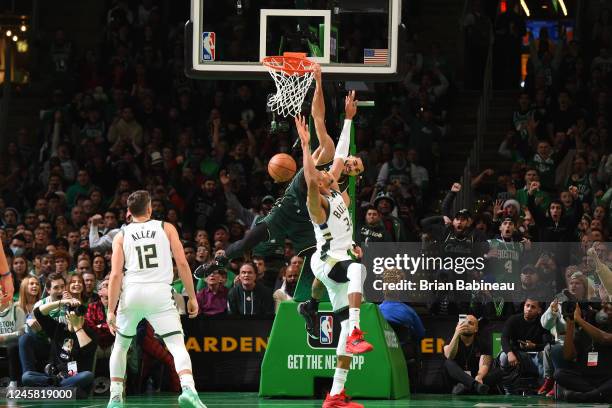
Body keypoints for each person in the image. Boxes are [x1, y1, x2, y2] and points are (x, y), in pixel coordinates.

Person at [199, 68, 363, 341]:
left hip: (308, 218)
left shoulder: (334, 180)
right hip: (289, 207)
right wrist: (319, 84)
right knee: (252, 239)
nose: (351, 164)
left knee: (320, 262)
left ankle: (310, 305)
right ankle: (220, 261)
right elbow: (318, 117)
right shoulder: (329, 154)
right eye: (352, 161)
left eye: (355, 167)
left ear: (354, 172)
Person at [295, 114, 371, 408]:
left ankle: (336, 394)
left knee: (340, 329)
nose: (330, 171)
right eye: (324, 173)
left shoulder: (336, 189)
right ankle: (355, 331)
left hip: (340, 257)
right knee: (358, 270)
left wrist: (350, 119)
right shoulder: (318, 203)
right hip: (326, 262)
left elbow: (340, 151)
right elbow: (311, 176)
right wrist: (305, 146)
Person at [106, 190, 206, 408]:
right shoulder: (166, 227)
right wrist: (191, 297)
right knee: (176, 345)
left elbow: (115, 275)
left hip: (132, 292)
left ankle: (115, 397)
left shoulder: (121, 236)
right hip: (160, 293)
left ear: (129, 212)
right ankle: (189, 389)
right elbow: (182, 263)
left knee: (121, 346)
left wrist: (111, 309)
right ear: (150, 208)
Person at [23, 297, 96, 398]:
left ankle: (50, 390)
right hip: (53, 377)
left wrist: (77, 327)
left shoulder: (90, 333)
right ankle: (59, 389)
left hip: (73, 377)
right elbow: (38, 312)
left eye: (79, 315)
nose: (76, 317)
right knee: (27, 376)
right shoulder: (58, 329)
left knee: (88, 375)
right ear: (67, 316)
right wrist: (61, 303)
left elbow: (87, 349)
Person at [555, 302, 612, 402]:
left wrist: (580, 320)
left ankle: (587, 396)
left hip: (607, 378)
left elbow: (604, 338)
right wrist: (570, 324)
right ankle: (600, 394)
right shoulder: (584, 330)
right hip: (587, 379)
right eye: (602, 308)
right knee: (559, 374)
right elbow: (568, 356)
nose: (602, 312)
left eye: (607, 309)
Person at [499, 298, 552, 394]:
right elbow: (504, 338)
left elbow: (548, 344)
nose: (529, 309)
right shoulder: (513, 319)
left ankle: (542, 391)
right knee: (504, 356)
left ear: (539, 310)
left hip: (536, 356)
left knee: (544, 356)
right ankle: (510, 391)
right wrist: (510, 353)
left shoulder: (543, 323)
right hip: (519, 356)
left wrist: (534, 346)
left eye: (533, 307)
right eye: (527, 306)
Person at [443, 315, 500, 395]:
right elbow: (449, 356)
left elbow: (484, 364)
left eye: (470, 323)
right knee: (448, 363)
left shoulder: (482, 342)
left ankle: (467, 387)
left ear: (476, 329)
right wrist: (456, 333)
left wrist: (479, 376)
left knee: (499, 371)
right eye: (463, 322)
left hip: (476, 377)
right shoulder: (451, 340)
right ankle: (474, 386)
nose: (466, 325)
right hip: (457, 379)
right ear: (457, 326)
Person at [0, 284, 25, 389]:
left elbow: (22, 332)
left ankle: (14, 382)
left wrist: (4, 337)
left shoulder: (17, 310)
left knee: (12, 348)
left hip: (14, 345)